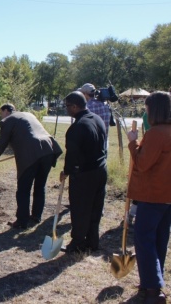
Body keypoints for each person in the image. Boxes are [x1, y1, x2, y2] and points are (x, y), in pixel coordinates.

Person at [0, 103, 62, 229]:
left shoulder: (8, 120)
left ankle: (22, 221)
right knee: (40, 185)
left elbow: (1, 145)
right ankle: (36, 216)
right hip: (48, 150)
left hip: (31, 154)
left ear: (6, 111)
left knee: (23, 188)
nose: (1, 117)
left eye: (1, 113)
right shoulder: (28, 115)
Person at [126, 91, 171, 303]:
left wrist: (133, 143)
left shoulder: (157, 133)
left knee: (144, 240)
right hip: (167, 197)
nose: (146, 112)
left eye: (147, 109)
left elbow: (142, 164)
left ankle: (153, 290)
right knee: (159, 241)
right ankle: (151, 283)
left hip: (153, 195)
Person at [60, 91, 108, 253]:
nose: (66, 109)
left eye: (67, 106)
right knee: (95, 207)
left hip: (85, 174)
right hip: (101, 170)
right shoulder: (97, 119)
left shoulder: (77, 127)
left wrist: (66, 172)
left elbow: (72, 155)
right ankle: (92, 242)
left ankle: (78, 243)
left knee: (80, 208)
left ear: (75, 106)